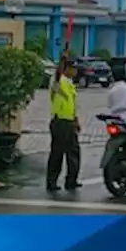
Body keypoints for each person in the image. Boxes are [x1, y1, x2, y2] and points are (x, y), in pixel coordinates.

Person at [46, 61, 82, 191]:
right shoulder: (57, 81)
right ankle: (52, 182)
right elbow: (57, 75)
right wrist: (62, 59)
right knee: (58, 153)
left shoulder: (70, 84)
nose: (76, 71)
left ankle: (71, 180)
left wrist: (76, 120)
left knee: (74, 152)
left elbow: (72, 104)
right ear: (66, 69)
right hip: (60, 122)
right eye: (73, 68)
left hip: (69, 122)